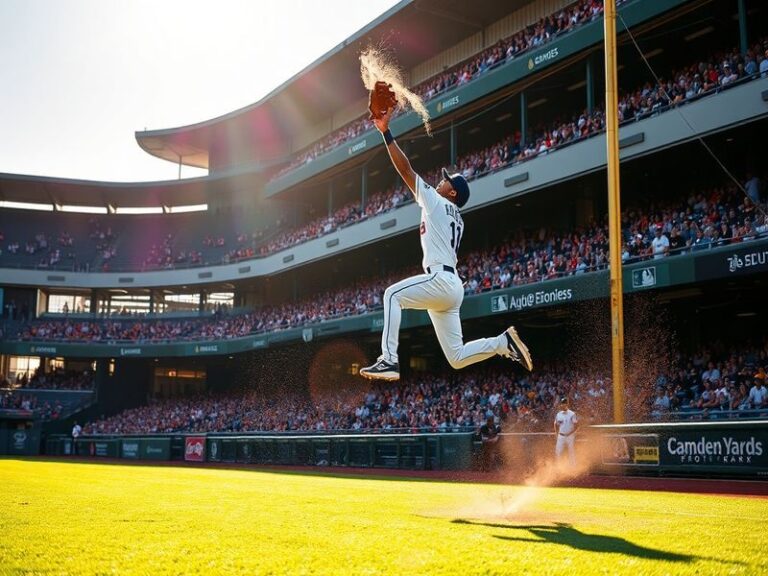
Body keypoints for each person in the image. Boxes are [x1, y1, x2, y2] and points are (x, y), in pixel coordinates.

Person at [359, 105, 532, 380]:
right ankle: (501, 343)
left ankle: (389, 359)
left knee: (392, 295)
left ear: (451, 192)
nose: (440, 181)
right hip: (450, 287)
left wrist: (386, 133)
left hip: (441, 280)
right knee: (457, 357)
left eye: (445, 181)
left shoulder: (438, 201)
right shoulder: (457, 216)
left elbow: (406, 171)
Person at [554, 397, 578, 466]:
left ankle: (573, 468)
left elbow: (576, 425)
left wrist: (571, 433)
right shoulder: (559, 414)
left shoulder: (572, 414)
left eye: (564, 403)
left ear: (567, 404)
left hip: (570, 436)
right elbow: (555, 424)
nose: (563, 405)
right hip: (561, 436)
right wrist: (556, 433)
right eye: (562, 404)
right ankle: (559, 467)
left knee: (571, 451)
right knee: (558, 452)